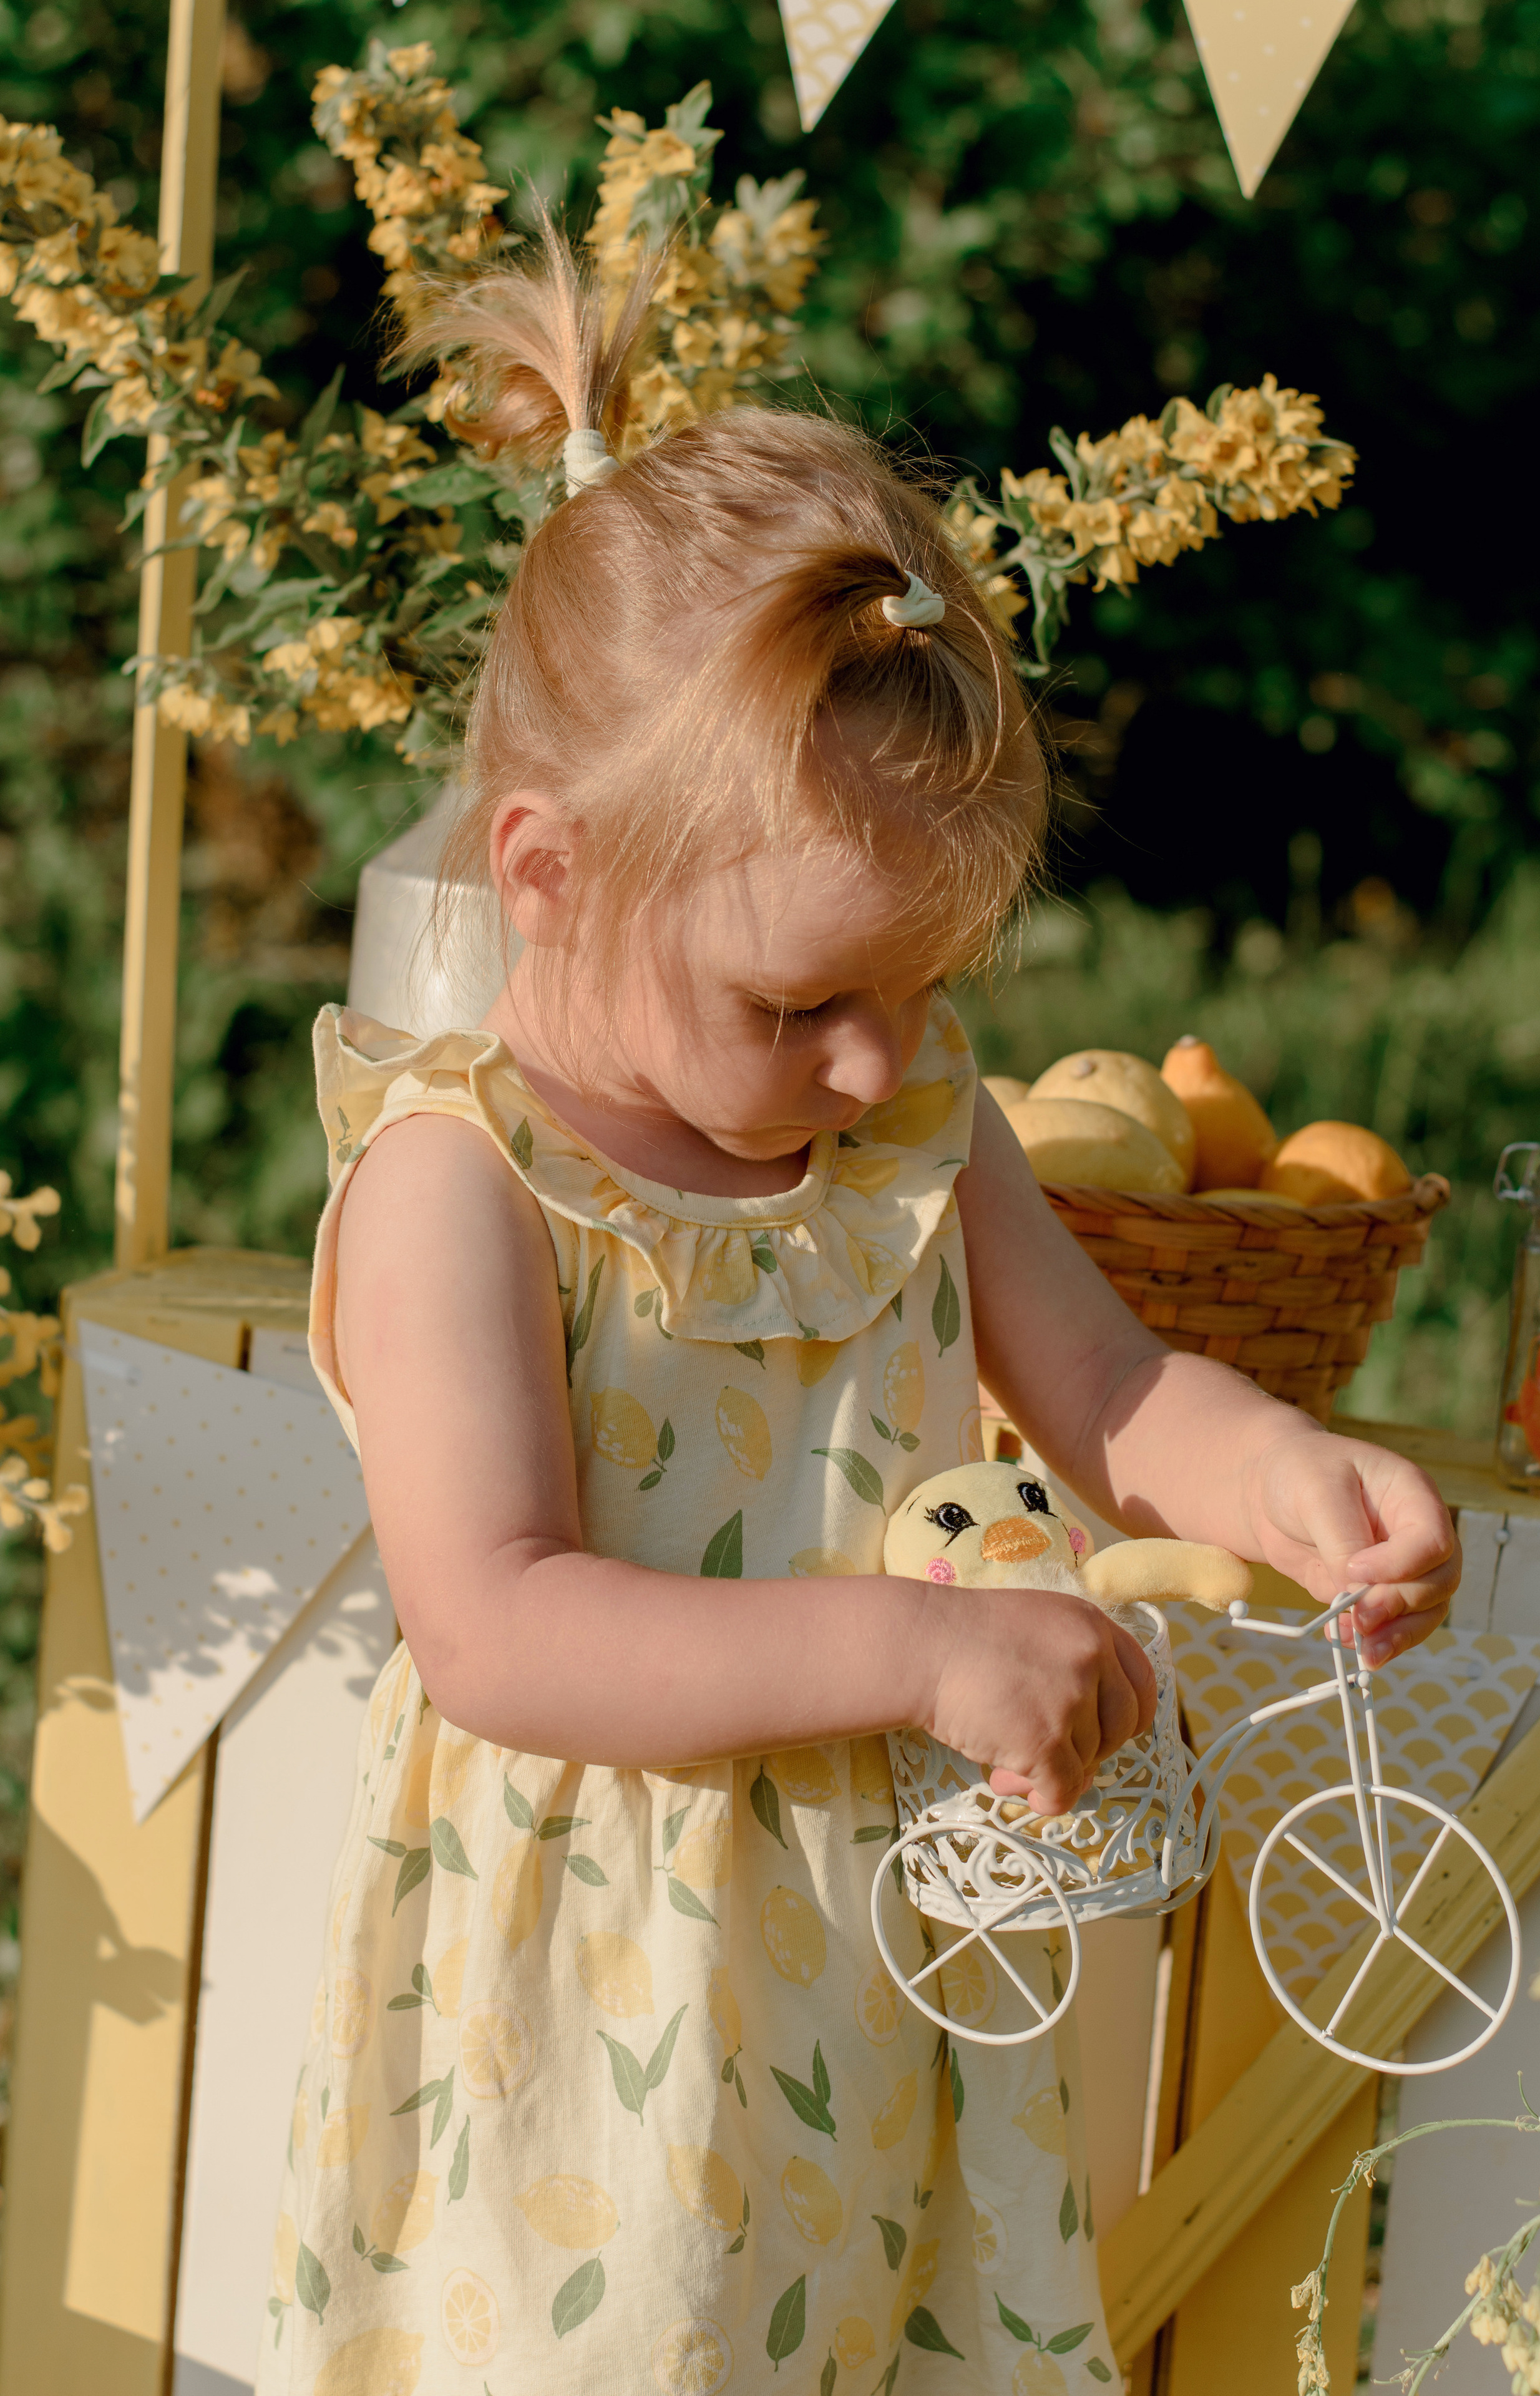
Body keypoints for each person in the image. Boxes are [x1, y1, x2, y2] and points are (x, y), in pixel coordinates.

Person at [256, 231, 1459, 2394]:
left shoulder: (902, 1142)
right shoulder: (467, 1186)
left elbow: (1103, 1385)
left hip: (883, 1998)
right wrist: (916, 1648)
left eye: (923, 991)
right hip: (596, 2045)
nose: (878, 1065)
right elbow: (501, 1625)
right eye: (804, 1000)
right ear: (544, 875)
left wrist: (1288, 1474)